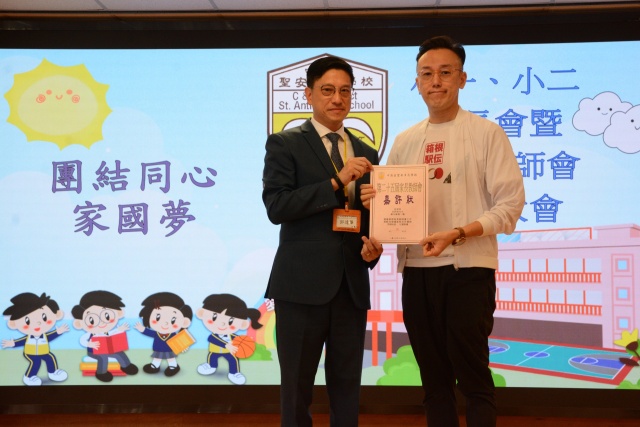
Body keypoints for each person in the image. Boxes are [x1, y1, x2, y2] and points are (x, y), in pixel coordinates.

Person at [361, 36, 525, 427]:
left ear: (462, 78)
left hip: (468, 270)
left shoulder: (487, 133)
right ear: (417, 82)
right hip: (417, 272)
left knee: (473, 377)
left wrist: (457, 233)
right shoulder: (405, 140)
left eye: (445, 72)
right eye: (427, 74)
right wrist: (374, 209)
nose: (436, 81)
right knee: (433, 382)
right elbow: (393, 207)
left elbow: (510, 207)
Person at [262, 55, 381, 427]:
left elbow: (368, 219)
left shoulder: (367, 153)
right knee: (297, 388)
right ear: (308, 94)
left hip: (350, 286)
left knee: (347, 387)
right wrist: (335, 181)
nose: (337, 99)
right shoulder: (285, 144)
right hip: (300, 288)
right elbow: (277, 206)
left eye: (345, 91)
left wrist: (373, 248)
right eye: (327, 90)